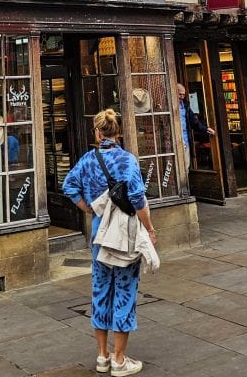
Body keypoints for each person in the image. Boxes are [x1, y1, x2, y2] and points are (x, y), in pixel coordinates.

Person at [62, 108, 156, 377]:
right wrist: (149, 228)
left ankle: (102, 356)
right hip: (124, 233)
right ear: (117, 132)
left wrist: (90, 209)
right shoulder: (128, 160)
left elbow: (69, 186)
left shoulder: (88, 160)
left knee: (100, 290)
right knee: (125, 291)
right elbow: (138, 199)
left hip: (99, 234)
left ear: (97, 132)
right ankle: (119, 359)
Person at [177, 83, 215, 171]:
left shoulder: (185, 106)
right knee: (177, 167)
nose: (182, 97)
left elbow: (194, 121)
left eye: (183, 94)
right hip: (174, 141)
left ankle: (185, 184)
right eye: (180, 94)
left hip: (185, 140)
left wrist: (205, 128)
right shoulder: (169, 105)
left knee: (186, 166)